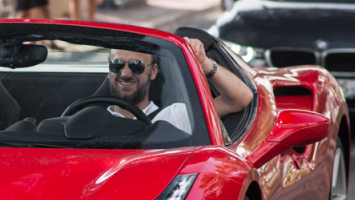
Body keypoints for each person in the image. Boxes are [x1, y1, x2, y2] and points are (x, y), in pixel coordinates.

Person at [104, 39, 253, 131]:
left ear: (153, 71)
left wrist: (204, 64)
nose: (126, 73)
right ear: (109, 69)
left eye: (137, 66)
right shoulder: (92, 118)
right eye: (117, 64)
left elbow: (239, 99)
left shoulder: (176, 116)